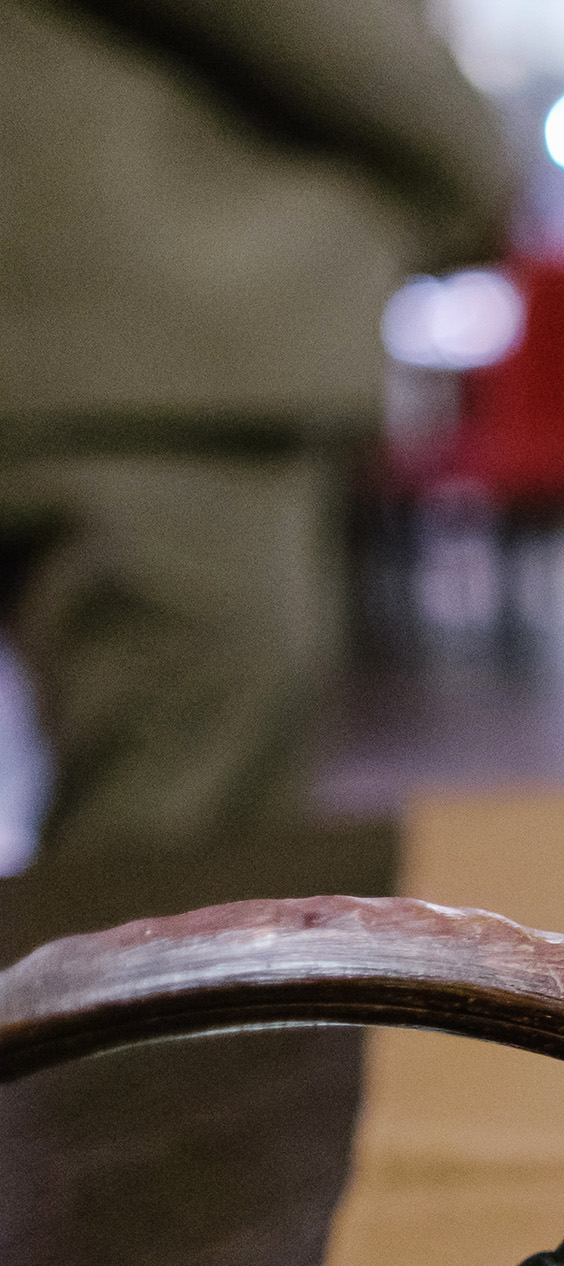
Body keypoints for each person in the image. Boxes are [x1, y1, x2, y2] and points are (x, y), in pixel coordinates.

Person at [0, 0, 510, 856]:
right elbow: (336, 38)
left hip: (135, 363)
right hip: (153, 376)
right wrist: (481, 154)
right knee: (177, 854)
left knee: (181, 808)